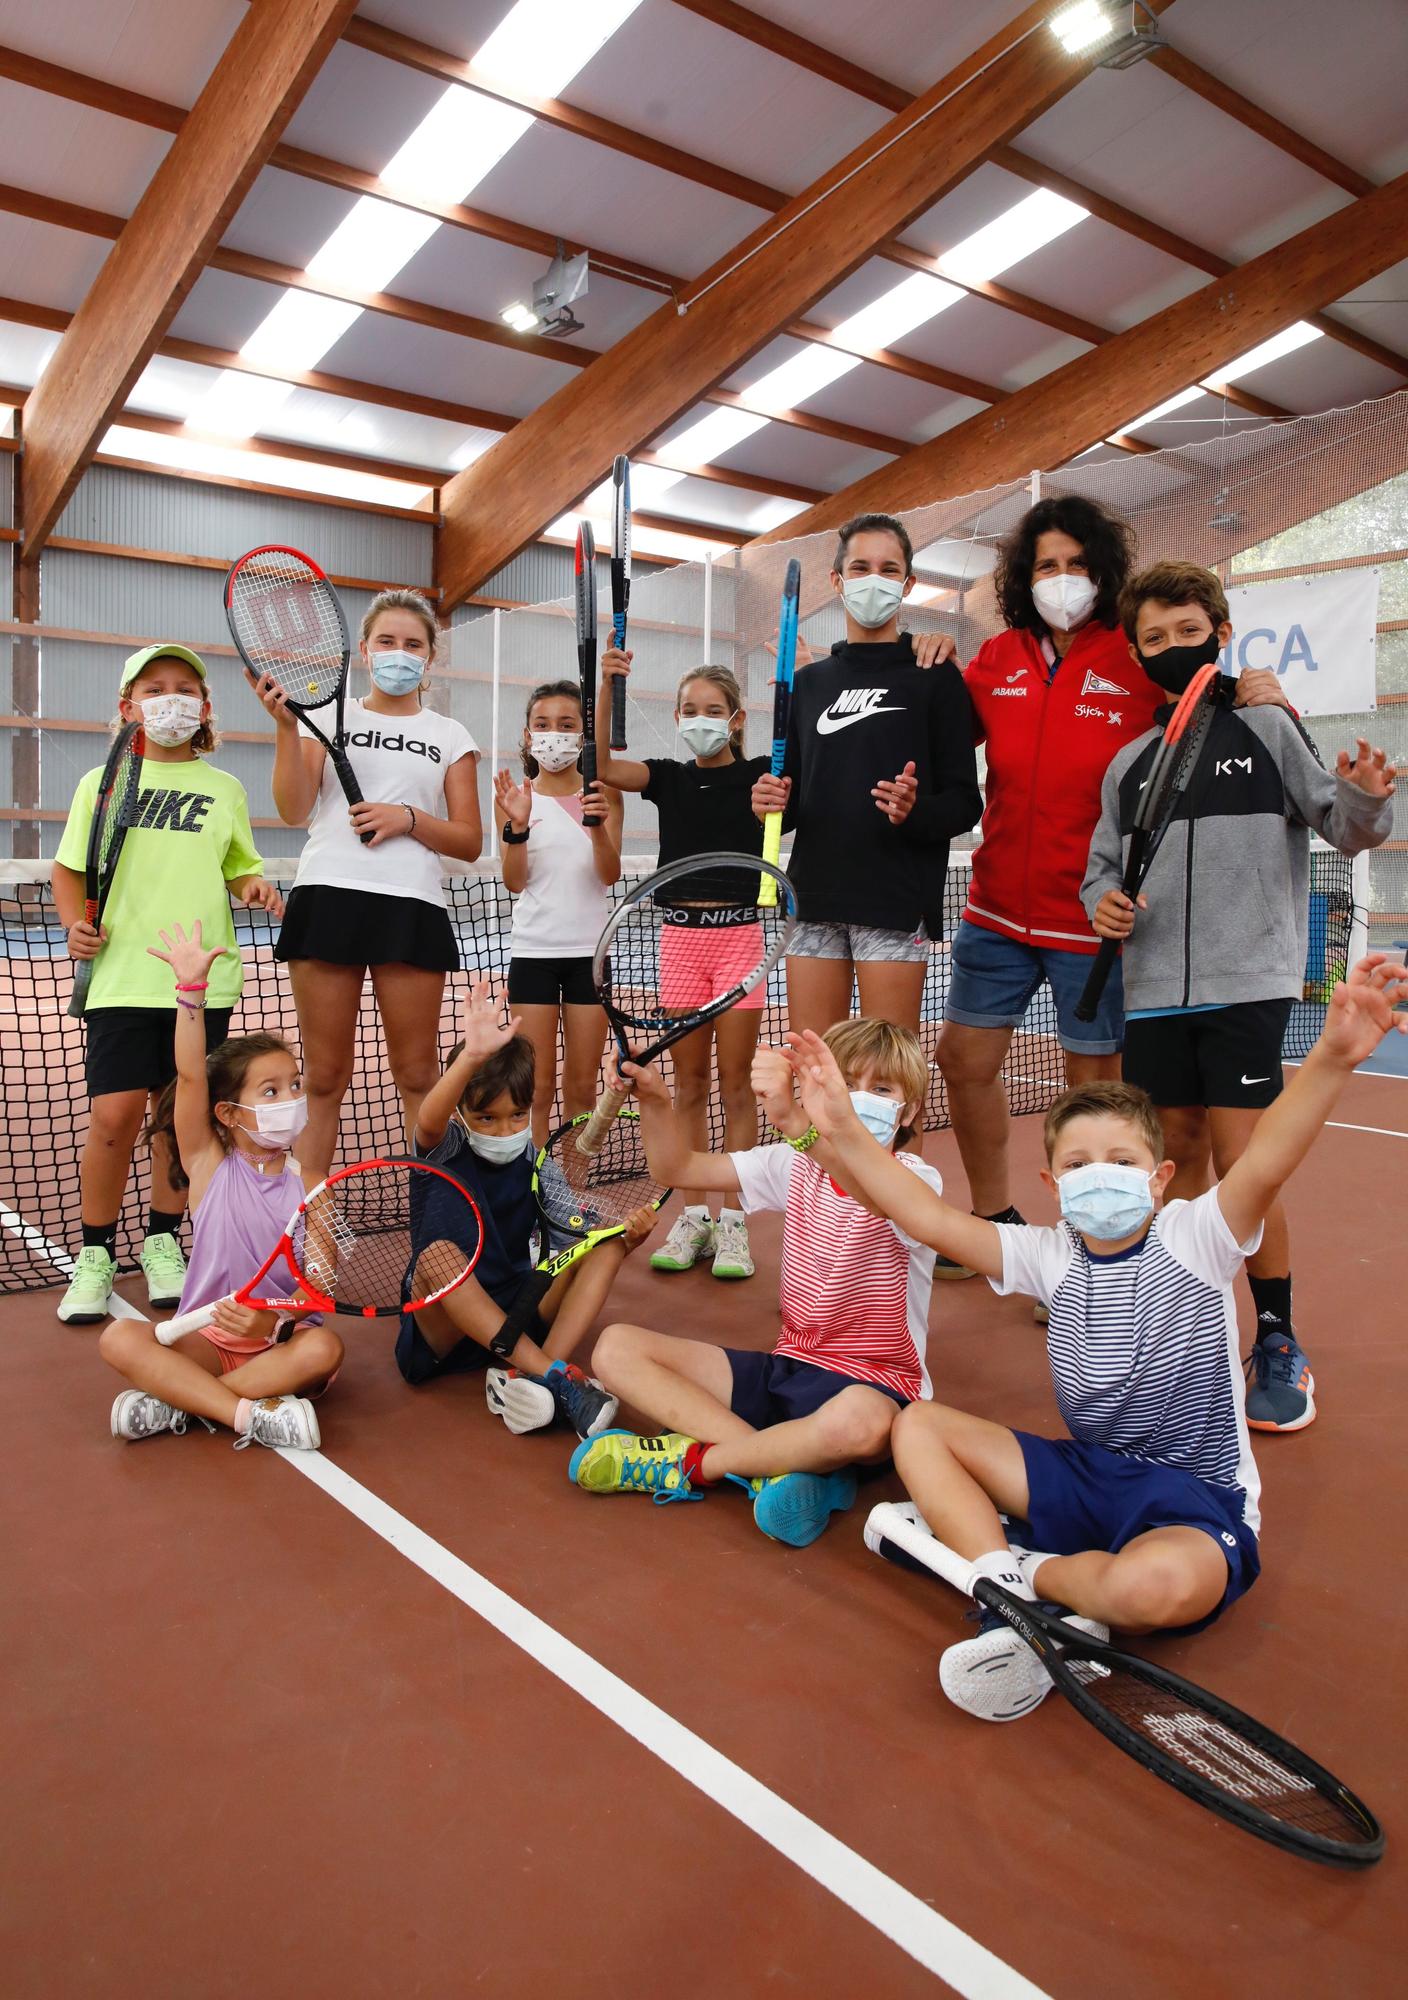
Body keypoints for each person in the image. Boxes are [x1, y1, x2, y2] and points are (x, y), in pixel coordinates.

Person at [785, 953, 1408, 1720]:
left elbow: (1268, 1157)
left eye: (1121, 1160)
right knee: (919, 1426)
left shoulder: (1197, 1236)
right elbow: (923, 1216)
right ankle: (1012, 1589)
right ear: (1051, 1184)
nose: (1099, 1175)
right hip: (1085, 1475)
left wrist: (1332, 1056)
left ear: (1159, 1175)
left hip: (1194, 1503)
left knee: (1153, 1591)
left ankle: (1020, 1576)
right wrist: (841, 1130)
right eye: (1078, 1163)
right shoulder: (1046, 1256)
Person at [936, 496, 1288, 1285]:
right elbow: (936, 740)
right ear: (1024, 579)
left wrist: (1261, 693)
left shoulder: (1134, 660)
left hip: (1095, 926)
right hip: (994, 910)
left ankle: (1088, 1257)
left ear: (1104, 572)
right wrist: (918, 660)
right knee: (962, 1062)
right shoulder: (995, 660)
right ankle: (991, 1216)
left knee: (1095, 1099)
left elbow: (1204, 709)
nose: (1063, 579)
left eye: (1078, 564)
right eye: (1046, 566)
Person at [1084, 560, 1394, 1432]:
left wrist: (1371, 798)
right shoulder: (1128, 764)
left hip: (1248, 985)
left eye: (1189, 632)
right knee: (1170, 1157)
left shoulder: (1267, 723)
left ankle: (1279, 1336)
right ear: (1138, 654)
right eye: (1155, 639)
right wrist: (1099, 905)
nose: (1173, 648)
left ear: (1221, 634)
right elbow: (1101, 871)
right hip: (1151, 994)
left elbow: (1344, 822)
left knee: (1245, 1164)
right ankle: (1183, 1329)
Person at [568, 1018, 939, 1549]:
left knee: (861, 1424)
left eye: (881, 1090)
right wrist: (653, 1097)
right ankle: (778, 1463)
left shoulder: (919, 1180)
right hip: (789, 1368)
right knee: (616, 1349)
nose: (859, 1100)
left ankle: (698, 1463)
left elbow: (877, 1196)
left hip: (876, 1385)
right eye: (846, 1082)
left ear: (909, 1111)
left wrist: (795, 1121)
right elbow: (676, 1166)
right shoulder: (792, 1163)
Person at [52, 644, 283, 1325]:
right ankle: (95, 1256)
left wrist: (254, 885)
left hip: (200, 985)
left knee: (177, 1127)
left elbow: (239, 867)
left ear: (206, 708)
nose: (171, 697)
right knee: (114, 1119)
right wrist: (74, 927)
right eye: (155, 688)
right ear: (129, 707)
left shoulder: (225, 790)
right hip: (122, 979)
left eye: (186, 688)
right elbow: (69, 872)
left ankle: (162, 1242)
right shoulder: (99, 784)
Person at [259, 588, 482, 1188]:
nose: (398, 653)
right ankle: (311, 1228)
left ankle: (439, 1218)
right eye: (387, 641)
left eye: (413, 644)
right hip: (327, 897)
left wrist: (407, 818)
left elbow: (468, 840)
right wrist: (286, 729)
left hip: (410, 907)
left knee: (417, 1074)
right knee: (325, 1077)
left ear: (429, 657)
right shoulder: (328, 717)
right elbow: (292, 807)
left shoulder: (451, 734)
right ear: (363, 649)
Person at [97, 920, 342, 1450]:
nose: (290, 1100)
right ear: (229, 1113)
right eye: (271, 1090)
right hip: (205, 1338)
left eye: (294, 1086)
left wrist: (271, 1322)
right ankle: (246, 1415)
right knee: (119, 1337)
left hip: (281, 1343)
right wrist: (190, 995)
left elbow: (316, 1289)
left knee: (323, 1352)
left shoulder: (314, 1185)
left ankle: (175, 1401)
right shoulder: (209, 1164)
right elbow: (189, 1077)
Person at [749, 513, 981, 1044]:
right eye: (860, 567)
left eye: (888, 568)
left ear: (907, 583)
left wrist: (913, 811)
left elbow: (967, 804)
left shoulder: (937, 677)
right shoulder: (807, 684)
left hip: (896, 904)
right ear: (837, 580)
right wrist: (765, 803)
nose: (873, 578)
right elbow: (791, 805)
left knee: (890, 1089)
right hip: (814, 904)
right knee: (815, 1075)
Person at [396, 978, 651, 1439]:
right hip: (446, 1326)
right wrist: (471, 1056)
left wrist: (627, 1242)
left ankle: (535, 1377)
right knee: (436, 1256)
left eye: (517, 1115)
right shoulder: (445, 1146)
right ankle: (556, 1376)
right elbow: (428, 1119)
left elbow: (572, 1242)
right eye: (486, 1118)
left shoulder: (535, 1163)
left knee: (605, 1242)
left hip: (517, 1314)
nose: (503, 1130)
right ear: (461, 1114)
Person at [593, 653, 767, 1280]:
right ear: (676, 717)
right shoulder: (667, 776)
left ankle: (737, 1225)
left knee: (738, 1083)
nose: (700, 720)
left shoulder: (762, 776)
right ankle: (695, 1217)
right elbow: (604, 765)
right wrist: (610, 686)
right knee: (688, 1085)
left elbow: (803, 798)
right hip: (680, 942)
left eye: (713, 711)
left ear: (737, 719)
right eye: (689, 711)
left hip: (741, 939)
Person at [493, 681, 622, 1145]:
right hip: (533, 955)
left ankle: (574, 1198)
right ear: (528, 735)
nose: (554, 734)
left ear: (583, 735)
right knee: (537, 1087)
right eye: (543, 725)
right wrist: (519, 826)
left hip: (591, 955)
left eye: (567, 725)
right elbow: (514, 881)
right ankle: (537, 1193)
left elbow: (609, 873)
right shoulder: (513, 796)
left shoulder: (604, 794)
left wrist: (599, 826)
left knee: (582, 1087)